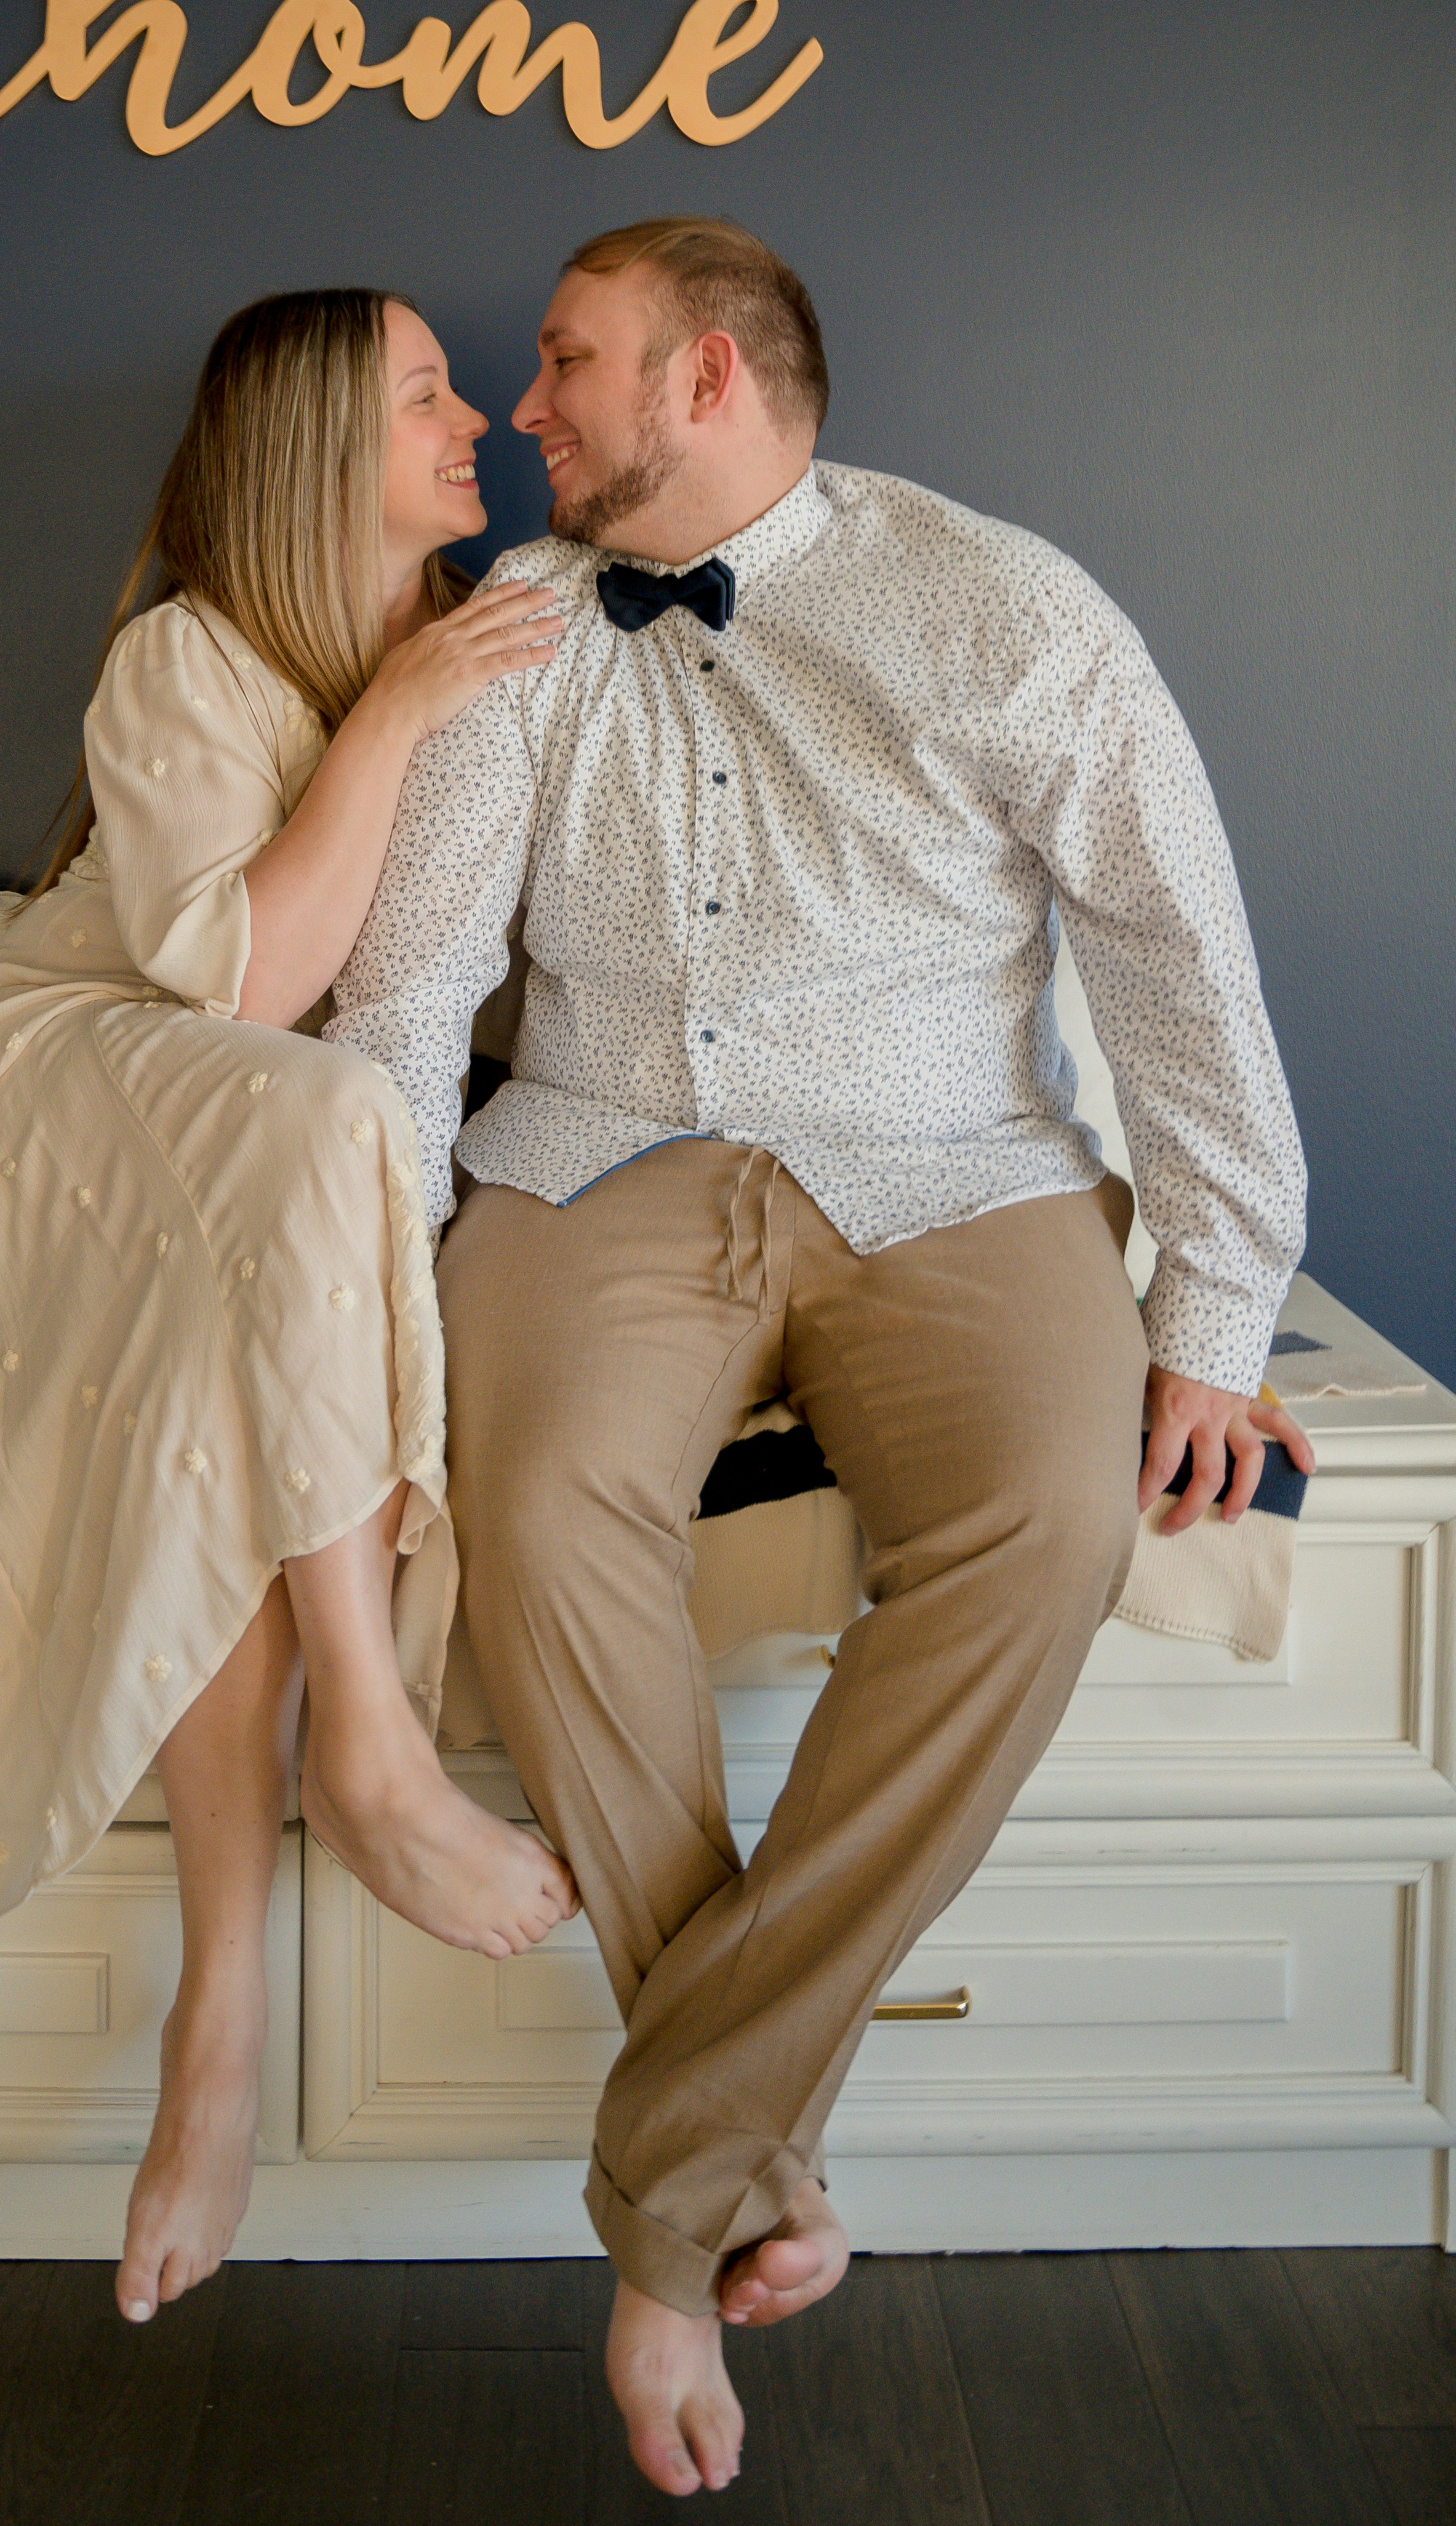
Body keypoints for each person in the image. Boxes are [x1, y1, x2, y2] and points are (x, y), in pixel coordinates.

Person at [329, 217, 1316, 2497]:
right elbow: (401, 997)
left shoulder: (1003, 609)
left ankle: (668, 2202)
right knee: (535, 1496)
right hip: (598, 1153)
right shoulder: (518, 631)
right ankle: (740, 2168)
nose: (524, 402)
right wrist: (379, 1308)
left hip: (953, 1167)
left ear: (701, 379)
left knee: (1051, 1522)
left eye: (564, 365)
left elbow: (1177, 954)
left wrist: (1212, 1305)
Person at [0, 288, 575, 2325]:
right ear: (303, 454)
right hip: (54, 1090)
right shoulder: (187, 657)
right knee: (318, 1111)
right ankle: (366, 1740)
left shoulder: (476, 636)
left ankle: (217, 2025)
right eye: (427, 395)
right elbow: (241, 989)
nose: (476, 424)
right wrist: (391, 717)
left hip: (248, 1173)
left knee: (241, 1374)